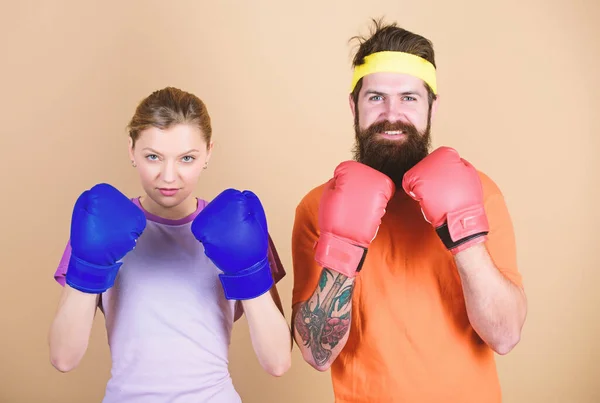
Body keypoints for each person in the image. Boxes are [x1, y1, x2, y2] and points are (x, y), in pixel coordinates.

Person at [290, 18, 528, 402]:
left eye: (409, 98)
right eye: (376, 97)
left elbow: (505, 335)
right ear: (354, 105)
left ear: (432, 105)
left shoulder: (481, 193)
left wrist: (463, 235)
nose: (392, 114)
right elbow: (316, 354)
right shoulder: (316, 207)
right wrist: (343, 248)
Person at [48, 87, 292, 402]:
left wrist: (248, 269)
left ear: (209, 152)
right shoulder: (99, 223)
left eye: (186, 158)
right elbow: (63, 358)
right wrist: (89, 265)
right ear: (131, 150)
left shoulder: (239, 224)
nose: (168, 176)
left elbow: (277, 362)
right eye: (153, 157)